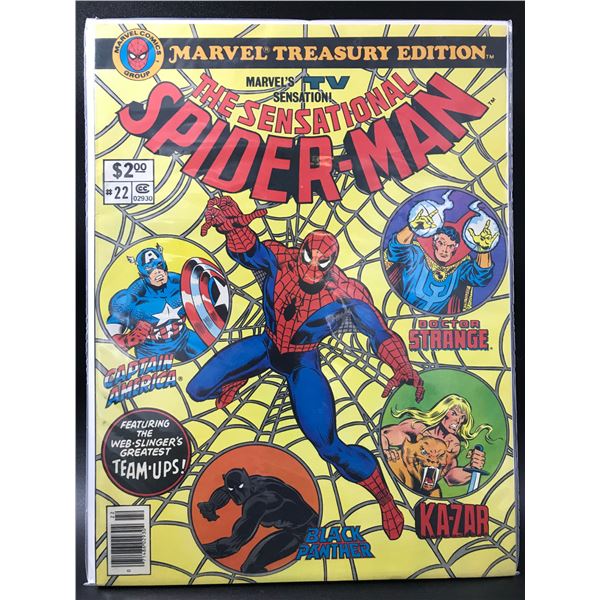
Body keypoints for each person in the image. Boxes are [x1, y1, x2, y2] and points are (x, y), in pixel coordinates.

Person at [187, 196, 425, 540]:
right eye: (308, 258)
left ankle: (385, 500)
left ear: (332, 264)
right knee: (197, 390)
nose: (312, 268)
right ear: (299, 253)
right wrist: (235, 228)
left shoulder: (345, 294)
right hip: (268, 345)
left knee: (329, 447)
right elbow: (249, 251)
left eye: (322, 262)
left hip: (302, 362)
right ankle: (240, 376)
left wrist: (400, 365)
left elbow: (380, 332)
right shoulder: (280, 259)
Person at [198, 468, 318, 573]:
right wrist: (211, 505)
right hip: (298, 526)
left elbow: (232, 545)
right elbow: (229, 488)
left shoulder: (258, 503)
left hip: (309, 531)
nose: (237, 494)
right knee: (249, 568)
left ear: (246, 481)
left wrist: (198, 550)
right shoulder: (253, 482)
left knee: (249, 568)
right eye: (231, 489)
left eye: (240, 488)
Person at [386, 207, 495, 314]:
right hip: (403, 314)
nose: (445, 250)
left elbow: (481, 276)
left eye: (450, 246)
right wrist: (413, 227)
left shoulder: (459, 268)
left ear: (455, 248)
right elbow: (396, 249)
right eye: (441, 243)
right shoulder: (417, 255)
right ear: (434, 242)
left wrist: (483, 248)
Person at [107, 245, 207, 360]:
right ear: (142, 274)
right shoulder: (130, 297)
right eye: (149, 269)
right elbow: (111, 332)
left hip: (183, 338)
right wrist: (126, 340)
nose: (157, 272)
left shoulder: (182, 282)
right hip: (150, 349)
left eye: (159, 265)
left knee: (212, 358)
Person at [380, 394, 493, 486]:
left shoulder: (452, 444)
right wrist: (385, 450)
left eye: (462, 417)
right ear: (442, 412)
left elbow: (450, 477)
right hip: (396, 478)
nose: (458, 420)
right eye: (454, 413)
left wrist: (470, 468)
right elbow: (383, 435)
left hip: (422, 488)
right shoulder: (417, 428)